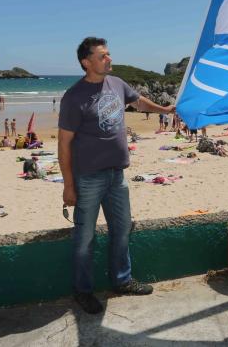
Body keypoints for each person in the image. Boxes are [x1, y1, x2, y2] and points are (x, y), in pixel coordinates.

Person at [59, 36, 176, 314]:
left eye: (109, 54)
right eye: (103, 56)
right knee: (85, 238)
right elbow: (63, 144)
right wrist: (68, 186)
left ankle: (122, 281)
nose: (109, 59)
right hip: (88, 178)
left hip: (117, 176)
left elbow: (139, 103)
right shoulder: (74, 97)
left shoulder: (118, 83)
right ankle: (83, 291)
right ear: (87, 63)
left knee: (122, 230)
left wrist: (164, 109)